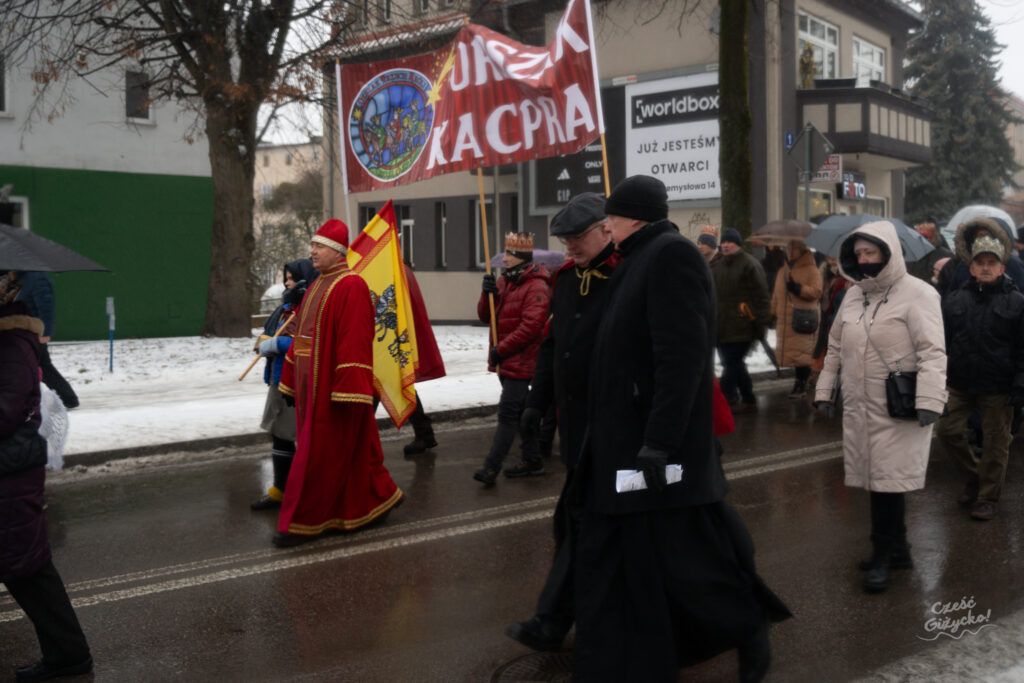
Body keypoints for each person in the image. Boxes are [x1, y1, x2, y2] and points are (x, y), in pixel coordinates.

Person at [573, 175, 790, 681]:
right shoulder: (634, 259)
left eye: (613, 215)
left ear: (635, 218)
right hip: (624, 444)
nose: (606, 224)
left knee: (687, 561)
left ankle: (747, 629)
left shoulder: (671, 256)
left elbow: (682, 359)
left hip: (655, 450)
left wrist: (659, 442)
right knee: (624, 557)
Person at [506, 192, 620, 652]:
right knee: (578, 525)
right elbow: (555, 344)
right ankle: (563, 619)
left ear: (607, 229)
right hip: (577, 428)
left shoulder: (626, 274)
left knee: (583, 526)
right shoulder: (568, 278)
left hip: (615, 425)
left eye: (578, 237)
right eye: (565, 239)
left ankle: (556, 620)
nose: (570, 246)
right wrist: (537, 401)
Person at [813, 221, 947, 593]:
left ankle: (883, 555)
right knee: (876, 480)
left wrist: (931, 400)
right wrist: (826, 390)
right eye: (858, 254)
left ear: (888, 252)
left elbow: (933, 351)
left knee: (887, 483)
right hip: (859, 404)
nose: (864, 259)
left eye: (870, 252)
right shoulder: (854, 296)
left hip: (898, 404)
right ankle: (898, 550)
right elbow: (835, 346)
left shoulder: (918, 294)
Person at [275, 219, 403, 546]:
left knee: (319, 459)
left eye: (318, 246)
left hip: (333, 393)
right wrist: (290, 380)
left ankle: (303, 522)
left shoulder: (351, 285)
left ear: (335, 251)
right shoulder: (318, 285)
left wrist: (348, 389)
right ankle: (376, 499)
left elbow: (356, 341)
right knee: (353, 456)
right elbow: (300, 338)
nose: (311, 252)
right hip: (309, 392)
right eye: (313, 246)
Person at [1, 301, 92, 681]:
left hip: (10, 472)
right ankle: (68, 653)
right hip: (12, 467)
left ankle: (69, 656)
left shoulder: (9, 346)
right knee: (27, 567)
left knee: (28, 569)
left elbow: (4, 411)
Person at [934, 230, 1024, 521]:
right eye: (980, 262)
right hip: (960, 382)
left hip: (999, 385)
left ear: (1002, 268)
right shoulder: (954, 300)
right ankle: (975, 476)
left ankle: (987, 498)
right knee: (947, 431)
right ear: (971, 268)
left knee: (996, 445)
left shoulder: (1017, 303)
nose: (985, 267)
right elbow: (941, 342)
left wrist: (1020, 384)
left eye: (991, 262)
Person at [473, 232, 551, 486]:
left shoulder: (537, 286)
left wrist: (501, 350)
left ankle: (491, 468)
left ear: (520, 257)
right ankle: (533, 460)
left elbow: (532, 327)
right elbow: (487, 317)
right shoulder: (505, 282)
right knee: (522, 414)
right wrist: (487, 294)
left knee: (508, 414)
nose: (503, 259)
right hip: (506, 360)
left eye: (508, 254)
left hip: (522, 360)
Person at [250, 258, 317, 511]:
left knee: (288, 435)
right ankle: (281, 488)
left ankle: (296, 490)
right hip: (278, 379)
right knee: (279, 435)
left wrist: (279, 345)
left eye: (293, 277)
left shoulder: (308, 307)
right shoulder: (286, 308)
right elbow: (274, 333)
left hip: (295, 382)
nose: (288, 282)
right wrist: (265, 342)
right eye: (286, 278)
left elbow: (309, 343)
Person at [712, 228, 772, 413]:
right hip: (722, 325)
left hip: (744, 324)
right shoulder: (719, 266)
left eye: (730, 242)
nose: (726, 245)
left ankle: (723, 398)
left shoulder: (749, 265)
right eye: (723, 242)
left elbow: (761, 296)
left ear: (738, 244)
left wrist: (762, 322)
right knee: (735, 363)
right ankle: (748, 398)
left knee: (732, 363)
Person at [9, 272, 78, 409]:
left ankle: (68, 398)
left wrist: (45, 332)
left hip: (32, 332)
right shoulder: (15, 280)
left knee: (41, 367)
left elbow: (46, 306)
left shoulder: (37, 278)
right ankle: (68, 398)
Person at [400, 263, 447, 456]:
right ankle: (424, 434)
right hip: (394, 341)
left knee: (379, 391)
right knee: (403, 388)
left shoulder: (396, 269)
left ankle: (358, 444)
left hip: (393, 341)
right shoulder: (400, 268)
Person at [770, 240, 823, 399]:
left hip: (803, 318)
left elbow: (816, 292)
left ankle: (801, 383)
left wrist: (799, 289)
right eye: (788, 248)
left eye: (794, 249)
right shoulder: (782, 271)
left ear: (803, 251)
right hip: (786, 319)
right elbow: (776, 295)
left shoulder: (811, 270)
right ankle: (800, 381)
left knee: (802, 354)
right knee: (793, 353)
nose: (790, 252)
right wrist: (772, 312)